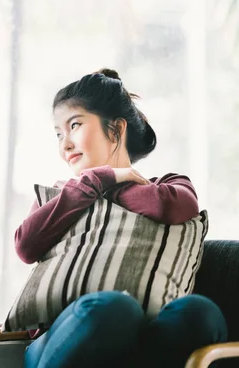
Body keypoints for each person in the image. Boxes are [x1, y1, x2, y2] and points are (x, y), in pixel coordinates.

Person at [15, 68, 228, 368]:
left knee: (198, 312)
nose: (64, 145)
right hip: (62, 338)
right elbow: (26, 245)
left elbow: (174, 207)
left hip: (145, 343)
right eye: (59, 134)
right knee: (114, 309)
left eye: (74, 125)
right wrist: (98, 180)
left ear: (115, 130)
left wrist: (109, 185)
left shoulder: (168, 183)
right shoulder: (60, 196)